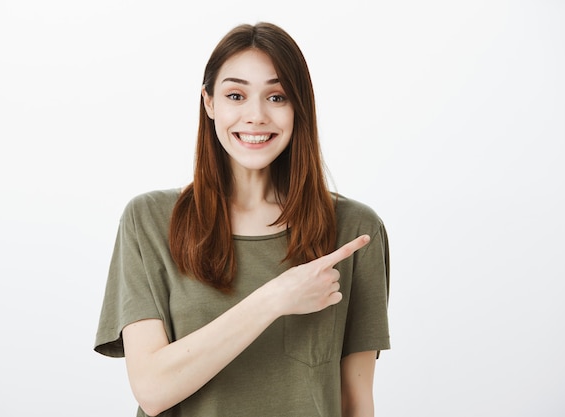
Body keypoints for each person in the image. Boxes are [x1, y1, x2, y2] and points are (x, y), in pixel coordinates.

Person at [94, 22, 390, 417]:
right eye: (236, 95)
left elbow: (356, 402)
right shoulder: (148, 221)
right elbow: (152, 389)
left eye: (277, 96)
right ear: (209, 102)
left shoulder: (355, 230)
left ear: (299, 105)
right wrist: (275, 298)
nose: (256, 116)